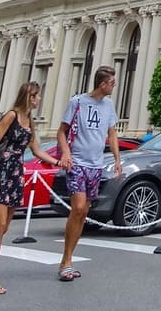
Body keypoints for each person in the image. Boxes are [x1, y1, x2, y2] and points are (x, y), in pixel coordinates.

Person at [0, 82, 60, 295]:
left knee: (3, 228)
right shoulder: (11, 116)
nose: (39, 100)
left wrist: (57, 163)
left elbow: (36, 150)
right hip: (1, 172)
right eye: (36, 96)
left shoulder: (30, 122)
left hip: (16, 174)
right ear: (29, 97)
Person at [56, 65, 122, 282]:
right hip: (77, 163)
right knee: (77, 208)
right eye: (112, 83)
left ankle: (69, 258)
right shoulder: (77, 102)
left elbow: (112, 135)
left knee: (84, 212)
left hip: (96, 165)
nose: (114, 86)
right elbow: (62, 132)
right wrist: (66, 153)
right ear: (102, 84)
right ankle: (65, 261)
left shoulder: (109, 106)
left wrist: (117, 160)